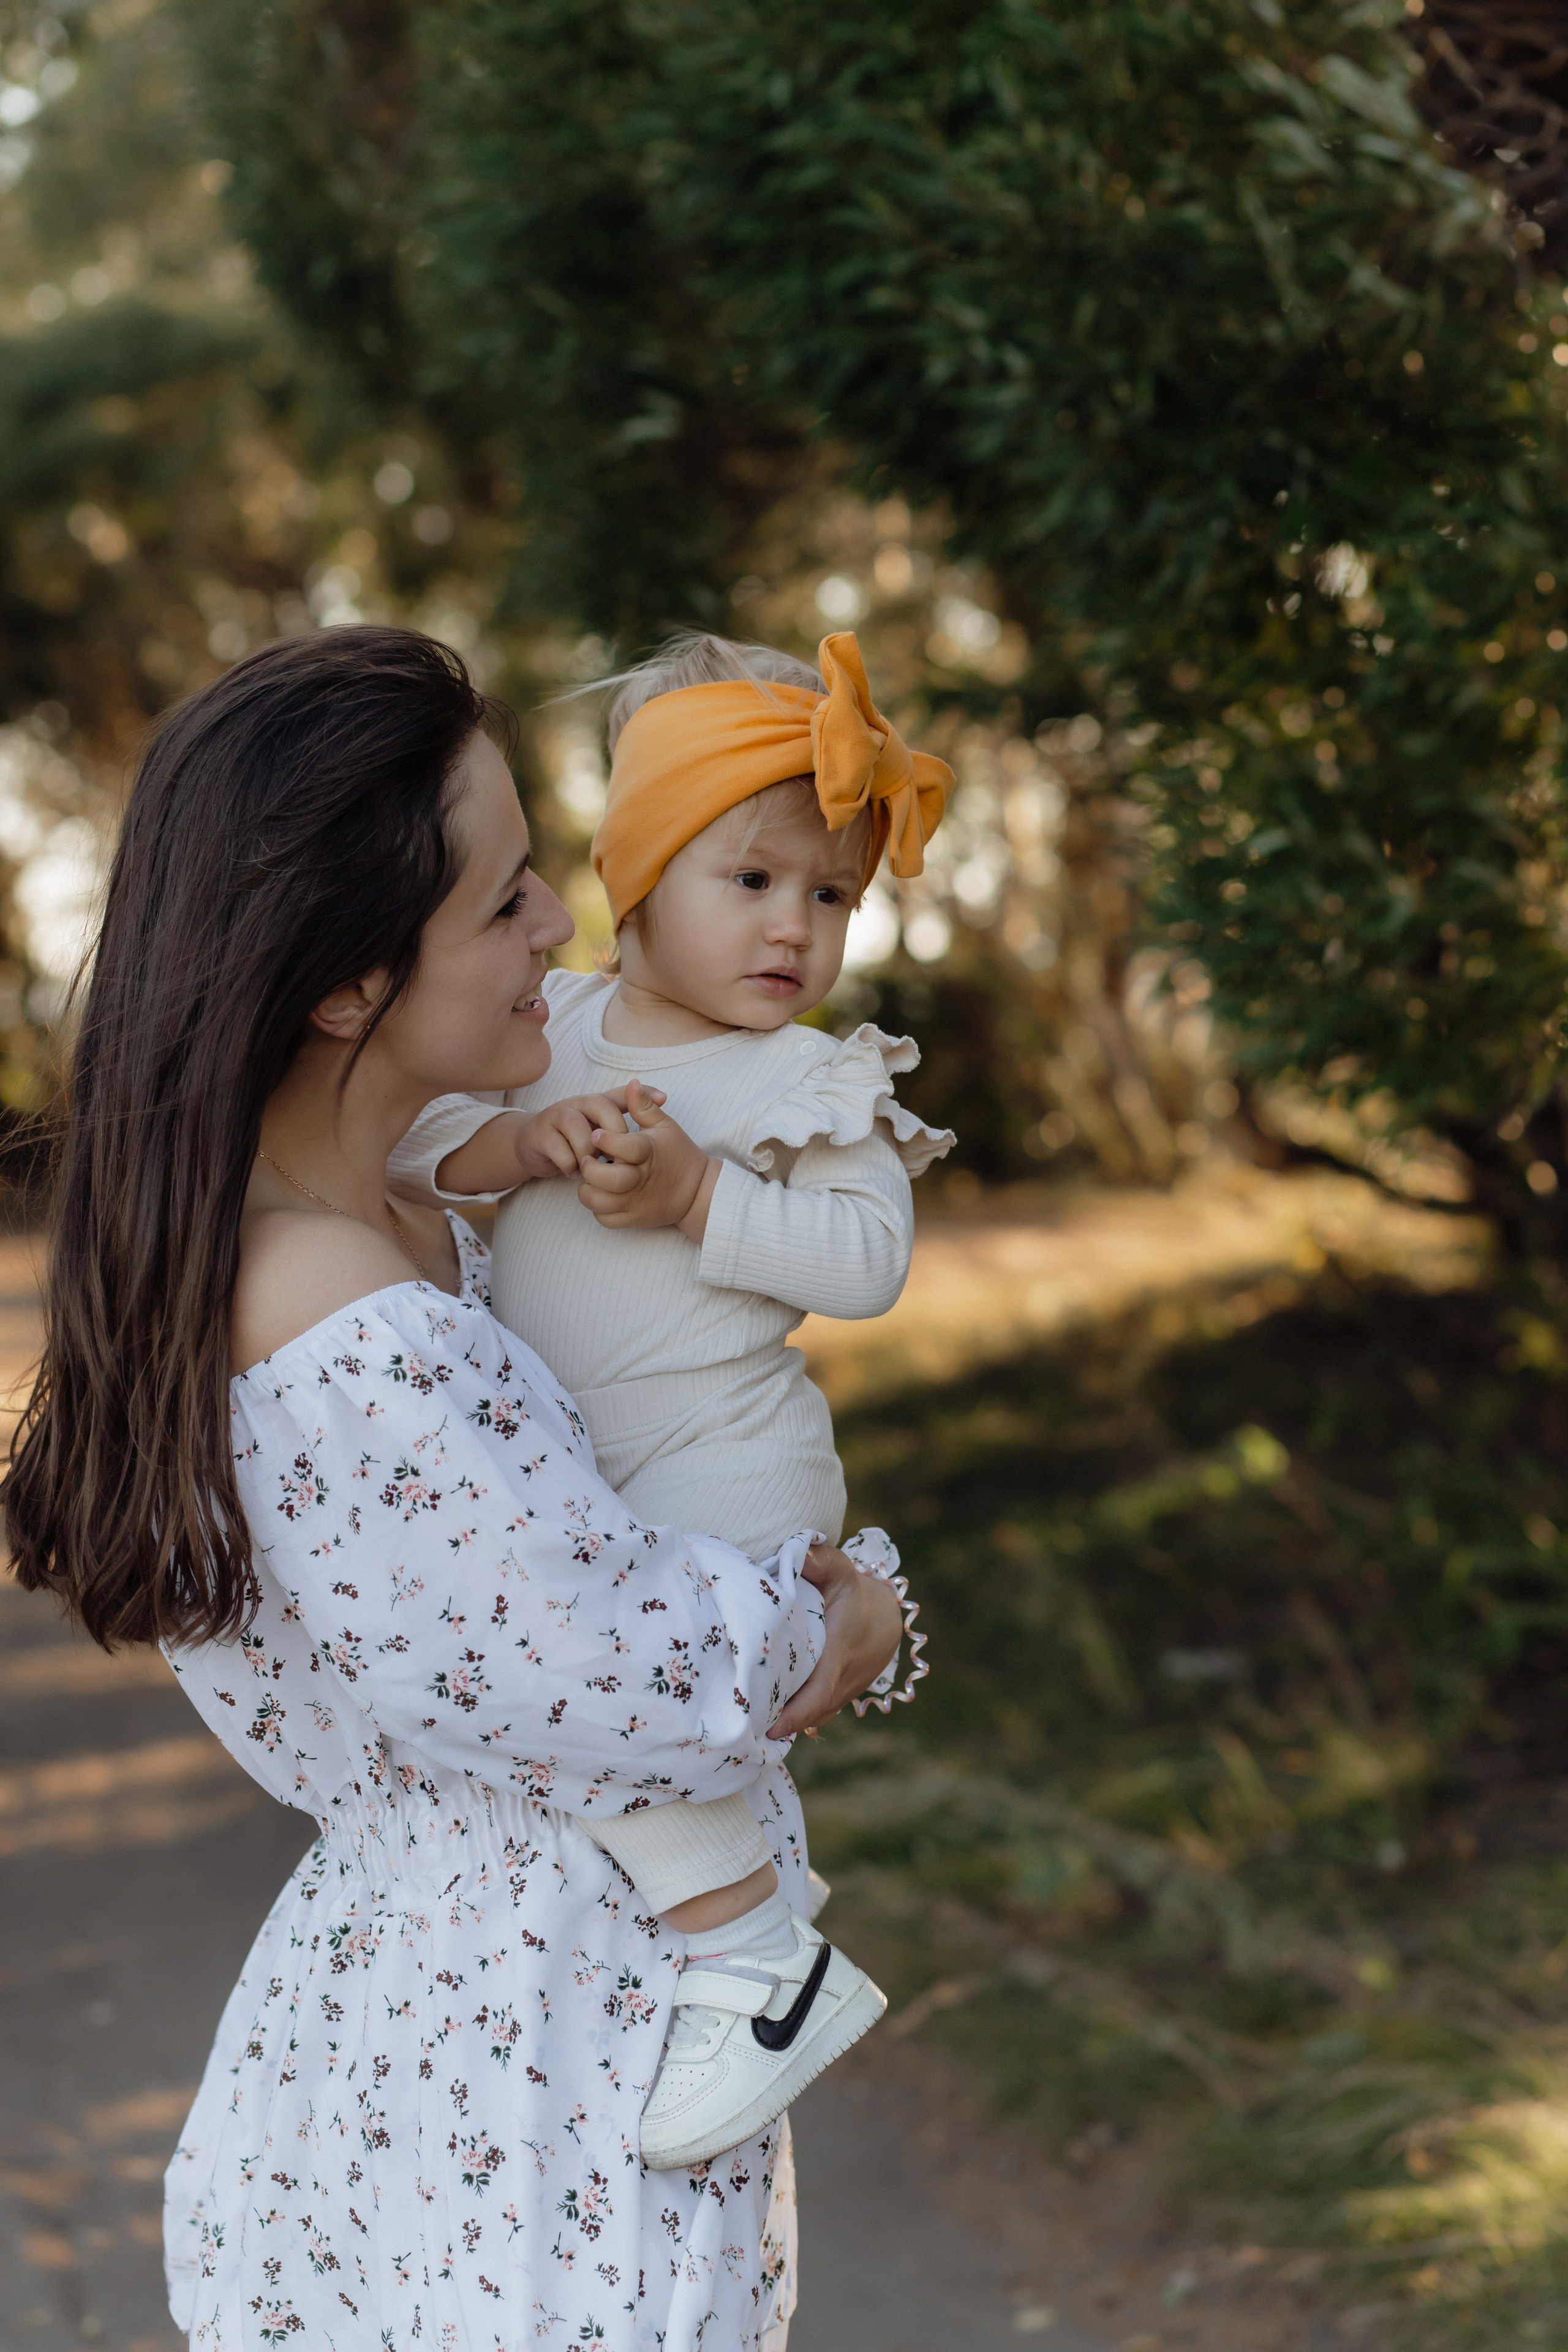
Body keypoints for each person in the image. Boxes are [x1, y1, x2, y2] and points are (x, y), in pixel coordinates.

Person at [2, 625, 902, 2350]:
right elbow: (613, 1663)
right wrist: (842, 1612)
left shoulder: (410, 1225)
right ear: (349, 986)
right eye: (503, 902)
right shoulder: (342, 1324)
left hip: (520, 2005)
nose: (562, 925)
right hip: (529, 2059)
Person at [391, 630, 952, 2166]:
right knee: (582, 1676)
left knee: (605, 1681)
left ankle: (757, 1956)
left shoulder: (805, 1081)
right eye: (751, 880)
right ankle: (743, 1887)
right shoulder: (548, 1033)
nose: (792, 930)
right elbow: (412, 1154)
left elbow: (866, 1261)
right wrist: (524, 1146)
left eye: (829, 897)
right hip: (587, 1465)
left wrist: (702, 1195)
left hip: (724, 1457)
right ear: (636, 874)